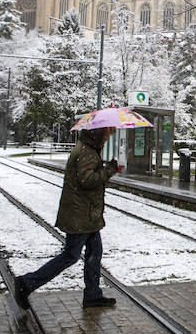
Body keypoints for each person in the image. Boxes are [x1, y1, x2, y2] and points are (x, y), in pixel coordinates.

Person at [13, 126, 119, 311]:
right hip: (80, 216)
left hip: (87, 215)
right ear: (98, 134)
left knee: (95, 253)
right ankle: (27, 283)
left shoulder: (88, 149)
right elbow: (86, 180)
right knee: (70, 256)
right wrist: (108, 170)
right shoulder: (87, 152)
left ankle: (93, 294)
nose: (107, 138)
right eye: (107, 134)